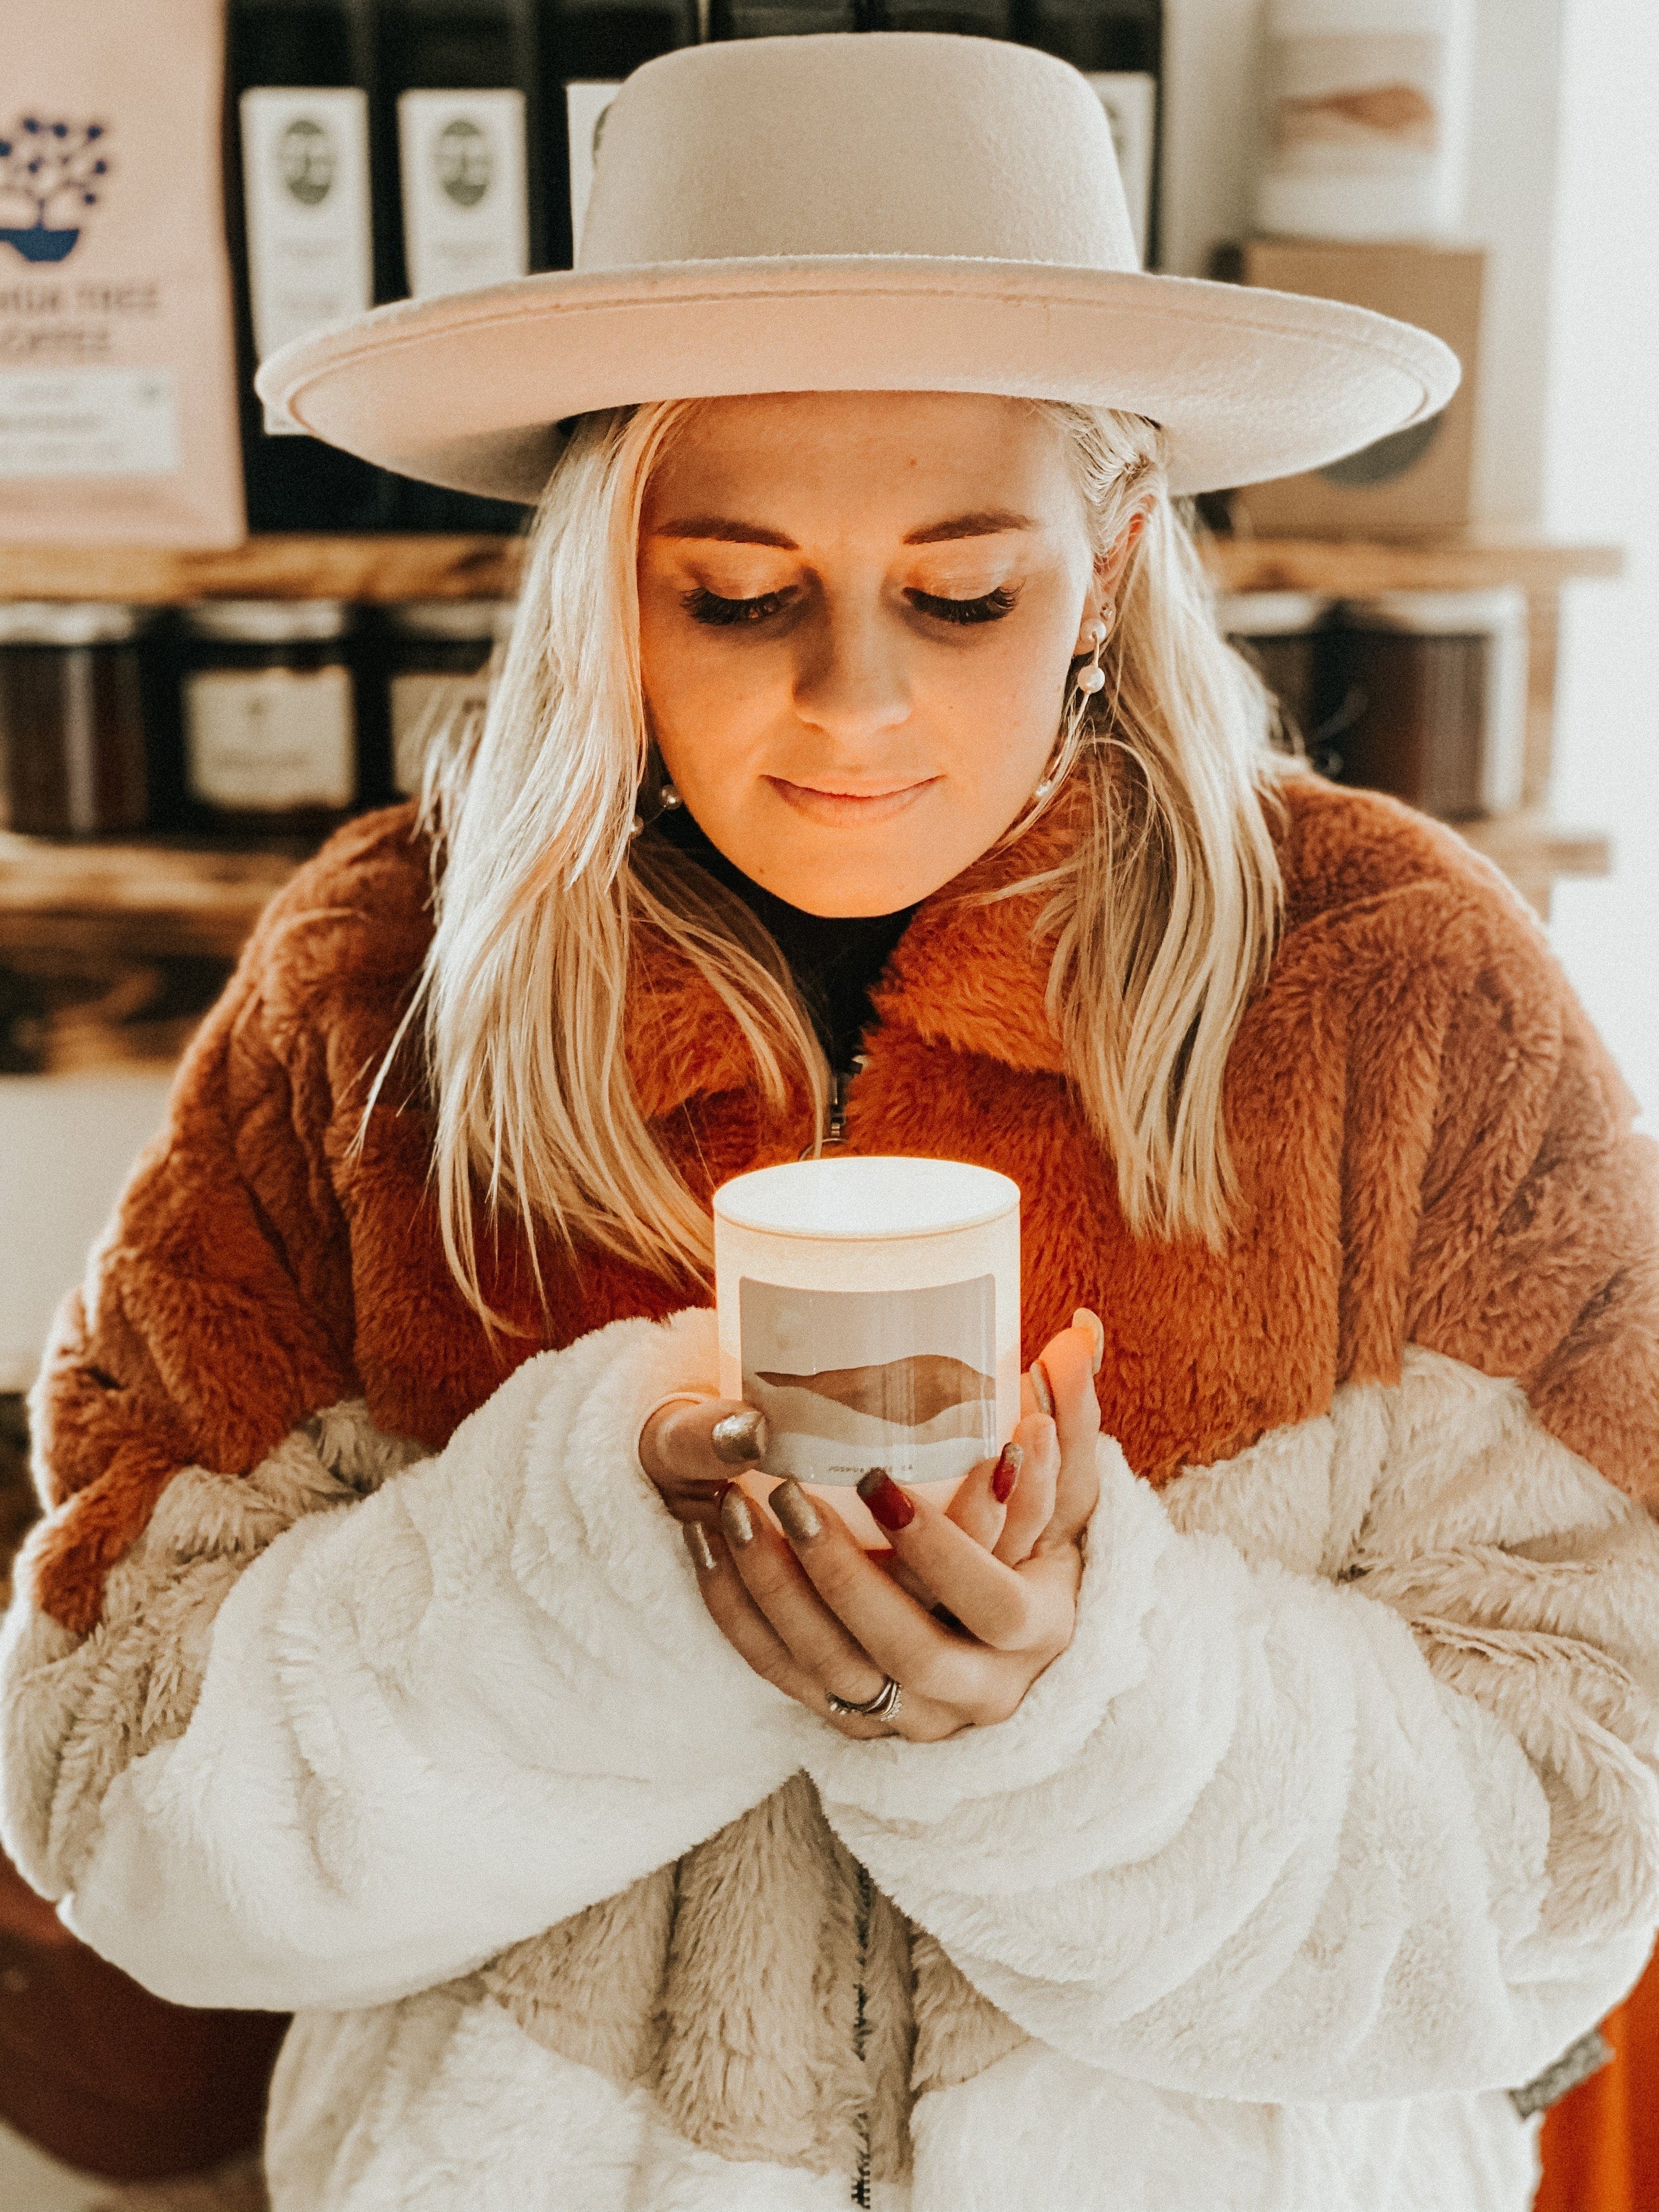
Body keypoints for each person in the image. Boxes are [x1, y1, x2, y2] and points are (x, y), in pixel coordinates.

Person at [4, 32, 1658, 2212]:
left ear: (1111, 556)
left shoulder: (1402, 998)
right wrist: (609, 1570)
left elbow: (1580, 1833)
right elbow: (117, 1797)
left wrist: (1081, 1717)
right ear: (605, 568)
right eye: (738, 591)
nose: (856, 703)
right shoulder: (373, 1004)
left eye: (966, 595)